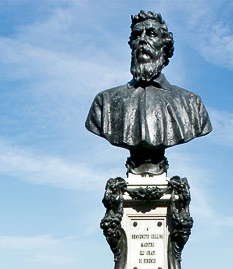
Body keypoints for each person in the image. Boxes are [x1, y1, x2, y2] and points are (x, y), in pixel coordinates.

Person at [85, 11, 212, 174]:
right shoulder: (105, 102)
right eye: (137, 35)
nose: (143, 40)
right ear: (131, 44)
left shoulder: (190, 103)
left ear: (164, 45)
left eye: (151, 34)